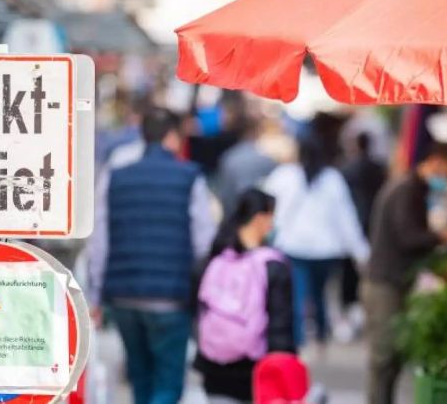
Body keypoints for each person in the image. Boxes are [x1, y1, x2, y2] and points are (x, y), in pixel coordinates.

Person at [86, 108, 217, 404]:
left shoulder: (115, 177)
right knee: (168, 381)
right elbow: (203, 242)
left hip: (123, 297)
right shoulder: (190, 177)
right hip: (171, 296)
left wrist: (95, 294)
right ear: (173, 137)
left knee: (140, 375)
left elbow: (99, 241)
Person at [364, 142, 447, 404]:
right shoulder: (406, 190)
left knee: (391, 359)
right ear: (437, 161)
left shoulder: (414, 190)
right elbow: (410, 238)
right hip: (385, 283)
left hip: (394, 281)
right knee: (384, 358)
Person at [264, 134, 368, 347]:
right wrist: (361, 251)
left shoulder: (285, 176)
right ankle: (320, 337)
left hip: (294, 247)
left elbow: (269, 209)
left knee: (298, 296)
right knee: (319, 295)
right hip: (326, 251)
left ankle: (299, 341)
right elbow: (346, 218)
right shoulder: (332, 178)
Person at [194, 189, 294, 404]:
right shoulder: (273, 265)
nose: (272, 226)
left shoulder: (213, 260)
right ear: (259, 219)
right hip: (256, 374)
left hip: (213, 369)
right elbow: (280, 326)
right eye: (270, 219)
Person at [337, 132, 386, 340]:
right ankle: (359, 311)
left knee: (350, 272)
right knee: (369, 268)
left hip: (355, 222)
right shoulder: (378, 168)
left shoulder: (346, 169)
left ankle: (354, 310)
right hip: (372, 222)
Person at [215, 118, 277, 218]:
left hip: (234, 216)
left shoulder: (228, 158)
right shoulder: (267, 160)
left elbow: (224, 195)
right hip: (258, 218)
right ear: (256, 132)